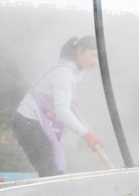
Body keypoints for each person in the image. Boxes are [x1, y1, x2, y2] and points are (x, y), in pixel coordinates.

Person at [13, 36, 103, 177]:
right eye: (93, 55)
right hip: (28, 123)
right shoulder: (64, 73)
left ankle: (57, 195)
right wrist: (87, 135)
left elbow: (64, 99)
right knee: (50, 172)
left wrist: (70, 100)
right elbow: (62, 111)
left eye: (97, 57)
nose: (95, 62)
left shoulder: (77, 71)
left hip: (40, 122)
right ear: (79, 51)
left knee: (55, 170)